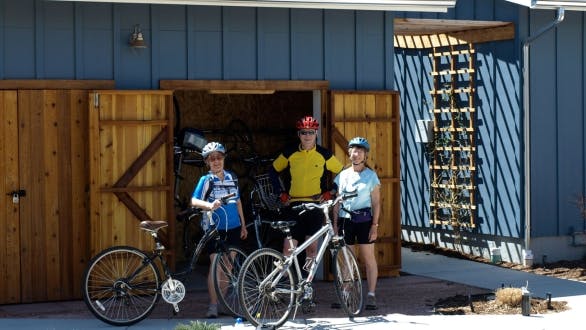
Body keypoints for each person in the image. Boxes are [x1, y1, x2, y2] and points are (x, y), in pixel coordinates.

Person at [270, 115, 344, 268]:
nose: (307, 136)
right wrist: (280, 192)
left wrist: (332, 191)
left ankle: (307, 285)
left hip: (315, 205)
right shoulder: (290, 152)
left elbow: (342, 172)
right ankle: (282, 282)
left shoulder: (324, 154)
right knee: (288, 248)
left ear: (316, 133)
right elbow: (273, 170)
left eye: (311, 132)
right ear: (299, 135)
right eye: (304, 132)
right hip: (294, 205)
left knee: (312, 249)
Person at [190, 141, 248, 318]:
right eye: (212, 158)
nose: (216, 161)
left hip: (233, 227)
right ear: (207, 162)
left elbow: (237, 202)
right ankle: (213, 305)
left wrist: (243, 225)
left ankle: (223, 303)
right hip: (214, 229)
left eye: (219, 157)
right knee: (216, 268)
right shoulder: (206, 180)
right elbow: (194, 201)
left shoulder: (232, 177)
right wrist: (209, 205)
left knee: (229, 267)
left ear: (224, 159)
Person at [332, 137, 381, 311]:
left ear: (365, 155)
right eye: (353, 150)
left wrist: (374, 225)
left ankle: (371, 295)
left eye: (360, 151)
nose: (356, 153)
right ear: (349, 153)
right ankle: (346, 292)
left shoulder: (371, 176)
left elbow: (376, 202)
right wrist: (336, 225)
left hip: (364, 221)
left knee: (369, 258)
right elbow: (337, 201)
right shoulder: (343, 175)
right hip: (346, 221)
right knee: (347, 260)